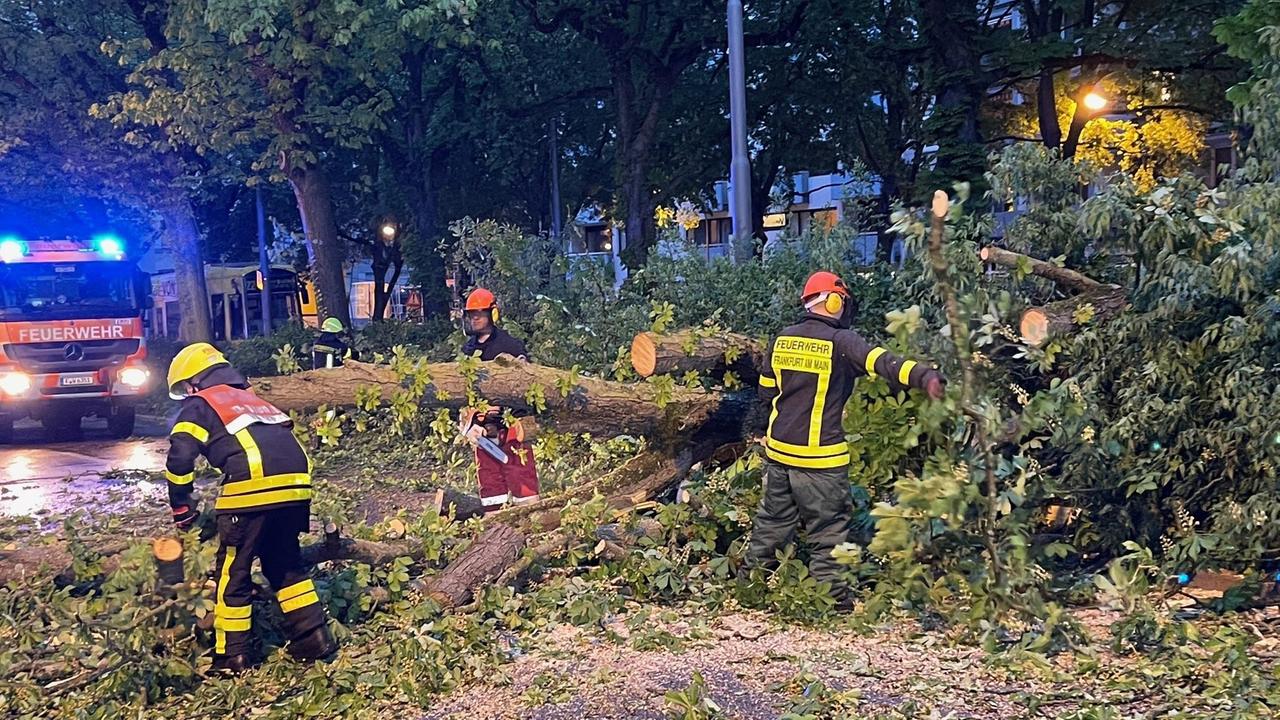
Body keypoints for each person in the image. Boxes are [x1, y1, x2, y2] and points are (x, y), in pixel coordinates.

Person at [749, 271, 946, 609]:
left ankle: (750, 587)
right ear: (835, 301)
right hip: (820, 461)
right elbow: (884, 363)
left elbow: (766, 393)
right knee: (829, 532)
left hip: (778, 455)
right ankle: (832, 602)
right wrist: (926, 377)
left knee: (772, 522)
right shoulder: (842, 342)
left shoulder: (781, 339)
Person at [165, 343, 337, 674]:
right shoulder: (253, 399)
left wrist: (182, 506)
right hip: (297, 485)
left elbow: (180, 457)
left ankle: (233, 657)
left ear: (192, 383)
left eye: (186, 389)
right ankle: (313, 639)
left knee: (233, 573)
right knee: (285, 563)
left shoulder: (201, 403)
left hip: (252, 487)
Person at [458, 288, 540, 512]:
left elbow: (524, 385)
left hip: (511, 423)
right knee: (490, 481)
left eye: (478, 314)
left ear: (492, 314)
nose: (474, 319)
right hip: (484, 428)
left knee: (521, 475)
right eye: (471, 315)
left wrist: (499, 407)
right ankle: (495, 523)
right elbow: (465, 390)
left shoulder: (509, 346)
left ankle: (530, 519)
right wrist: (469, 422)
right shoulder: (468, 350)